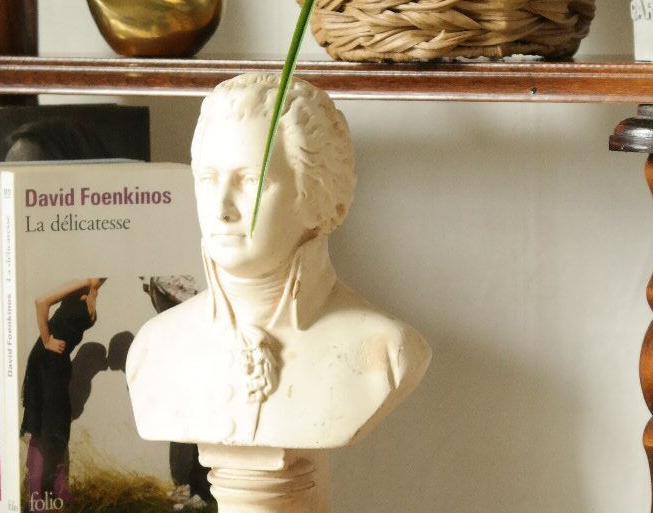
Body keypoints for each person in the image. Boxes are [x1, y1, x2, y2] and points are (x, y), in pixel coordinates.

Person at [126, 74, 430, 453]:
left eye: (250, 181)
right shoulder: (154, 349)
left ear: (316, 194)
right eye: (208, 179)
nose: (221, 208)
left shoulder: (386, 351)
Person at [20, 276, 106, 513]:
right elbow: (41, 301)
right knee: (41, 428)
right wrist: (47, 340)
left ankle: (59, 488)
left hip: (59, 364)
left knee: (59, 428)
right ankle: (35, 497)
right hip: (45, 362)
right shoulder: (83, 281)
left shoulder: (94, 289)